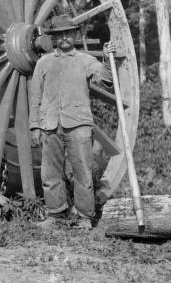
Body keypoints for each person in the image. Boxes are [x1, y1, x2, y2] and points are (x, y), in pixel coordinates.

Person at [28, 14, 116, 229]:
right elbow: (35, 97)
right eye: (60, 35)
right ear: (55, 38)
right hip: (50, 125)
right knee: (49, 173)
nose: (65, 38)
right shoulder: (43, 62)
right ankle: (55, 215)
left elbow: (105, 80)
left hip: (78, 126)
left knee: (82, 172)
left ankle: (85, 217)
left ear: (74, 35)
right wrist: (35, 125)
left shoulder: (86, 61)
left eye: (68, 34)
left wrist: (106, 60)